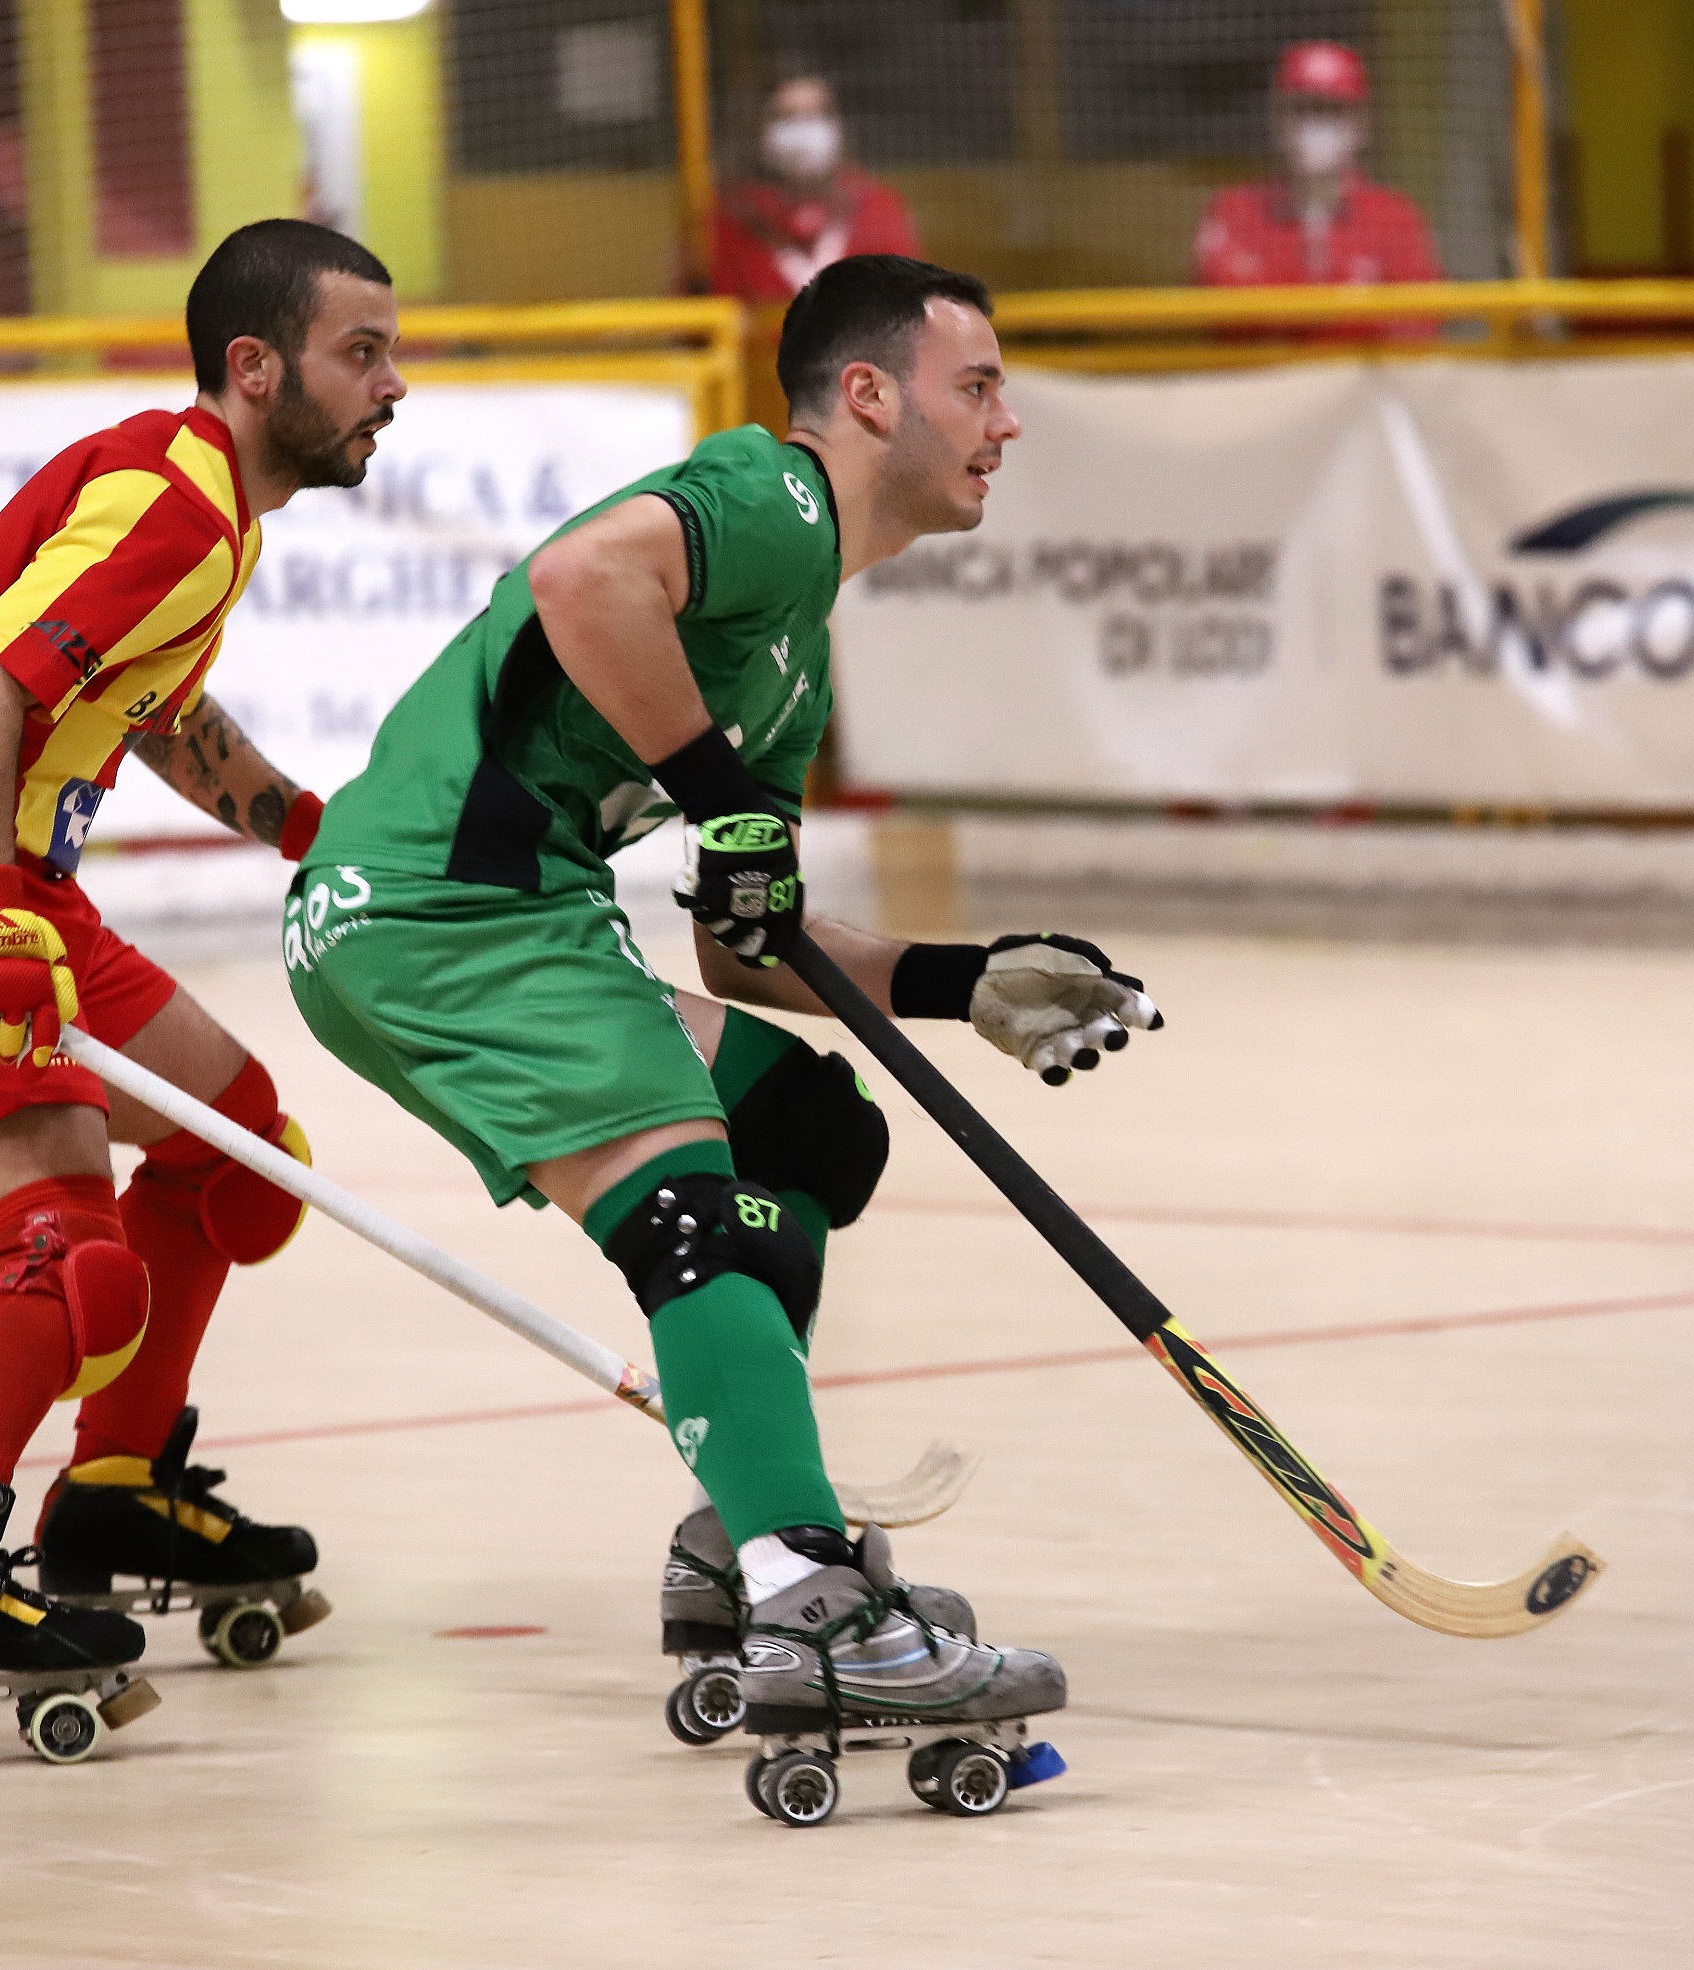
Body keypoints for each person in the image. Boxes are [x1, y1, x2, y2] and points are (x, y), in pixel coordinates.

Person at [282, 255, 1162, 1771]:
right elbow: (583, 579)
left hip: (497, 918)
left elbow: (746, 935)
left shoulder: (795, 645)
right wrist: (721, 804)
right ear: (870, 397)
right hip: (440, 912)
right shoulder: (776, 499)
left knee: (809, 1134)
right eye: (980, 385)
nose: (1007, 420)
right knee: (703, 1218)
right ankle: (812, 1601)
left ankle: (737, 1534)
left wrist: (964, 978)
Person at [0, 219, 406, 1688]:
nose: (396, 386)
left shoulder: (211, 507)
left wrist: (307, 826)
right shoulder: (171, 505)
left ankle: (118, 1494)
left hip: (17, 886)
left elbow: (154, 714)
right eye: (364, 354)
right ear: (256, 368)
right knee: (64, 1255)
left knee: (239, 1146)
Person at [1194, 39, 1443, 322]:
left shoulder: (1396, 218)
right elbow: (1223, 318)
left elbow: (1418, 326)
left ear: (1362, 124)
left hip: (1361, 366)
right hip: (1262, 366)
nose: (1316, 125)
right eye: (1303, 108)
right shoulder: (1233, 212)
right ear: (1276, 118)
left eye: (1332, 109)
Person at [711, 75, 921, 303]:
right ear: (760, 128)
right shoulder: (729, 218)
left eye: (816, 114)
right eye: (787, 116)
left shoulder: (878, 208)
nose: (803, 131)